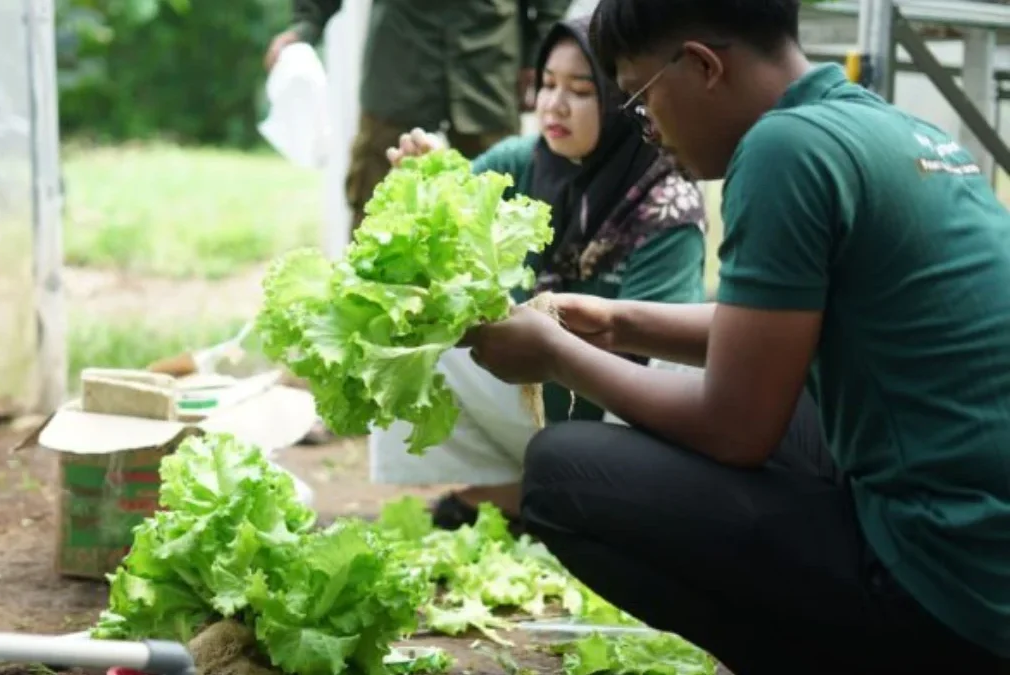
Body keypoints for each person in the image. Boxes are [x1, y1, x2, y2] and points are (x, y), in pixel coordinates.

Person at [461, 0, 1010, 673]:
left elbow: (735, 426)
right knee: (794, 393)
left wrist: (554, 354)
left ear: (701, 65)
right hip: (987, 557)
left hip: (945, 592)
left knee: (560, 472)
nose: (648, 128)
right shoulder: (886, 126)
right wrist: (614, 321)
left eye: (639, 97)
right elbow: (780, 331)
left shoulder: (782, 150)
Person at [369, 15, 709, 533]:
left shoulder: (665, 203)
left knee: (675, 369)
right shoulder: (520, 162)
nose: (554, 105)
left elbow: (655, 355)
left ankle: (605, 509)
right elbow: (448, 221)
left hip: (619, 404)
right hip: (535, 386)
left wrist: (549, 340)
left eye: (581, 90)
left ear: (622, 101)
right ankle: (506, 496)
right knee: (405, 323)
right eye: (547, 85)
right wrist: (429, 182)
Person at [264, 0, 572, 236]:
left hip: (488, 62)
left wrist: (539, 50)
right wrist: (305, 25)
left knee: (495, 214)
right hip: (399, 58)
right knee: (375, 215)